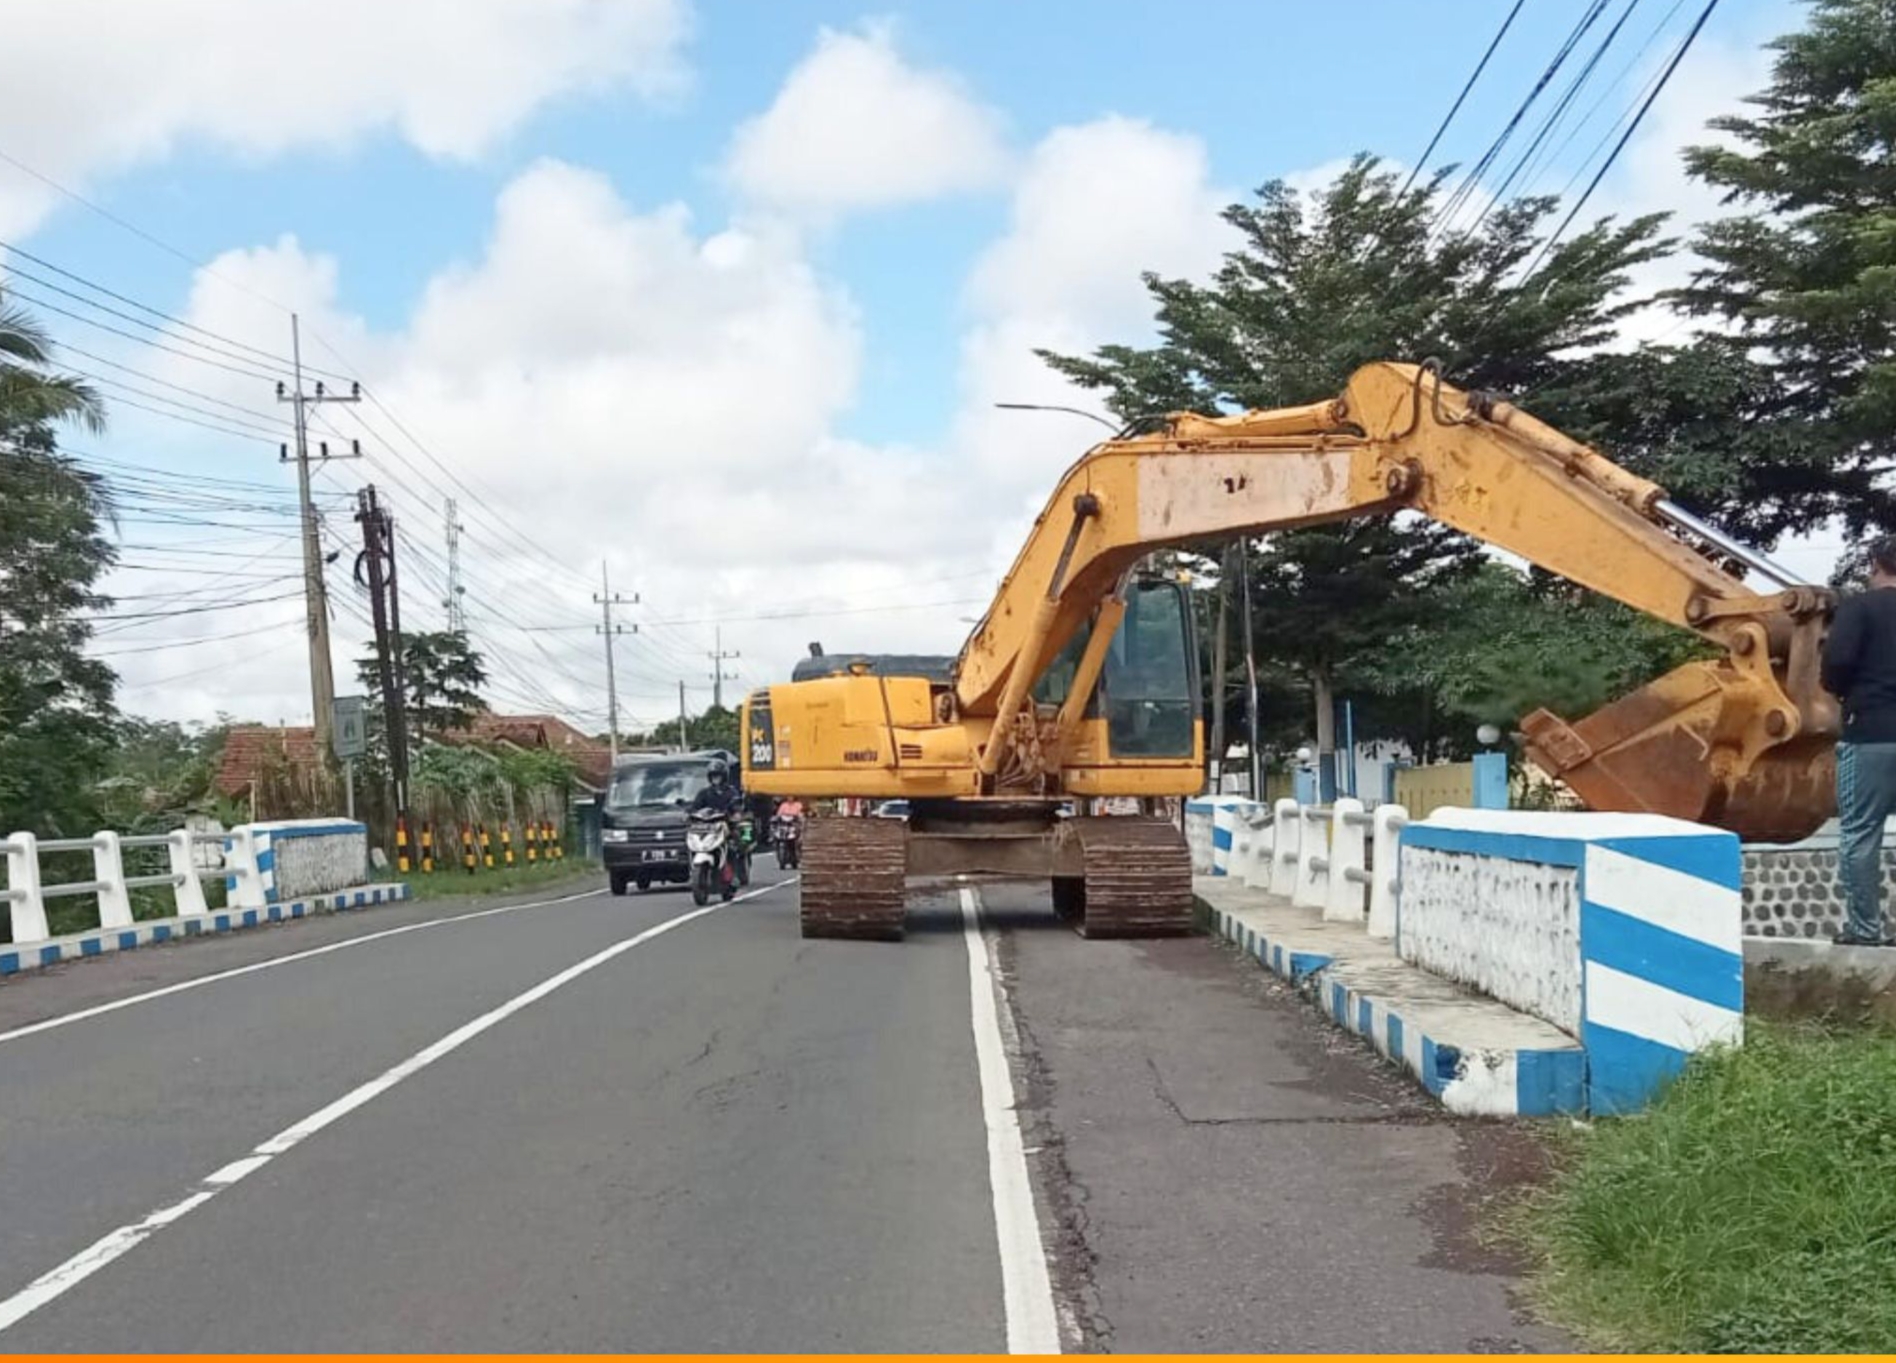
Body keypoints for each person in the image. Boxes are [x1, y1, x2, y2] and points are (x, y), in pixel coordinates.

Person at [1820, 535, 1896, 946]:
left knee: (1861, 832)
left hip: (1871, 733)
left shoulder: (1860, 608)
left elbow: (1838, 662)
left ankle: (1866, 929)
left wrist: (1838, 689)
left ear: (1875, 566)